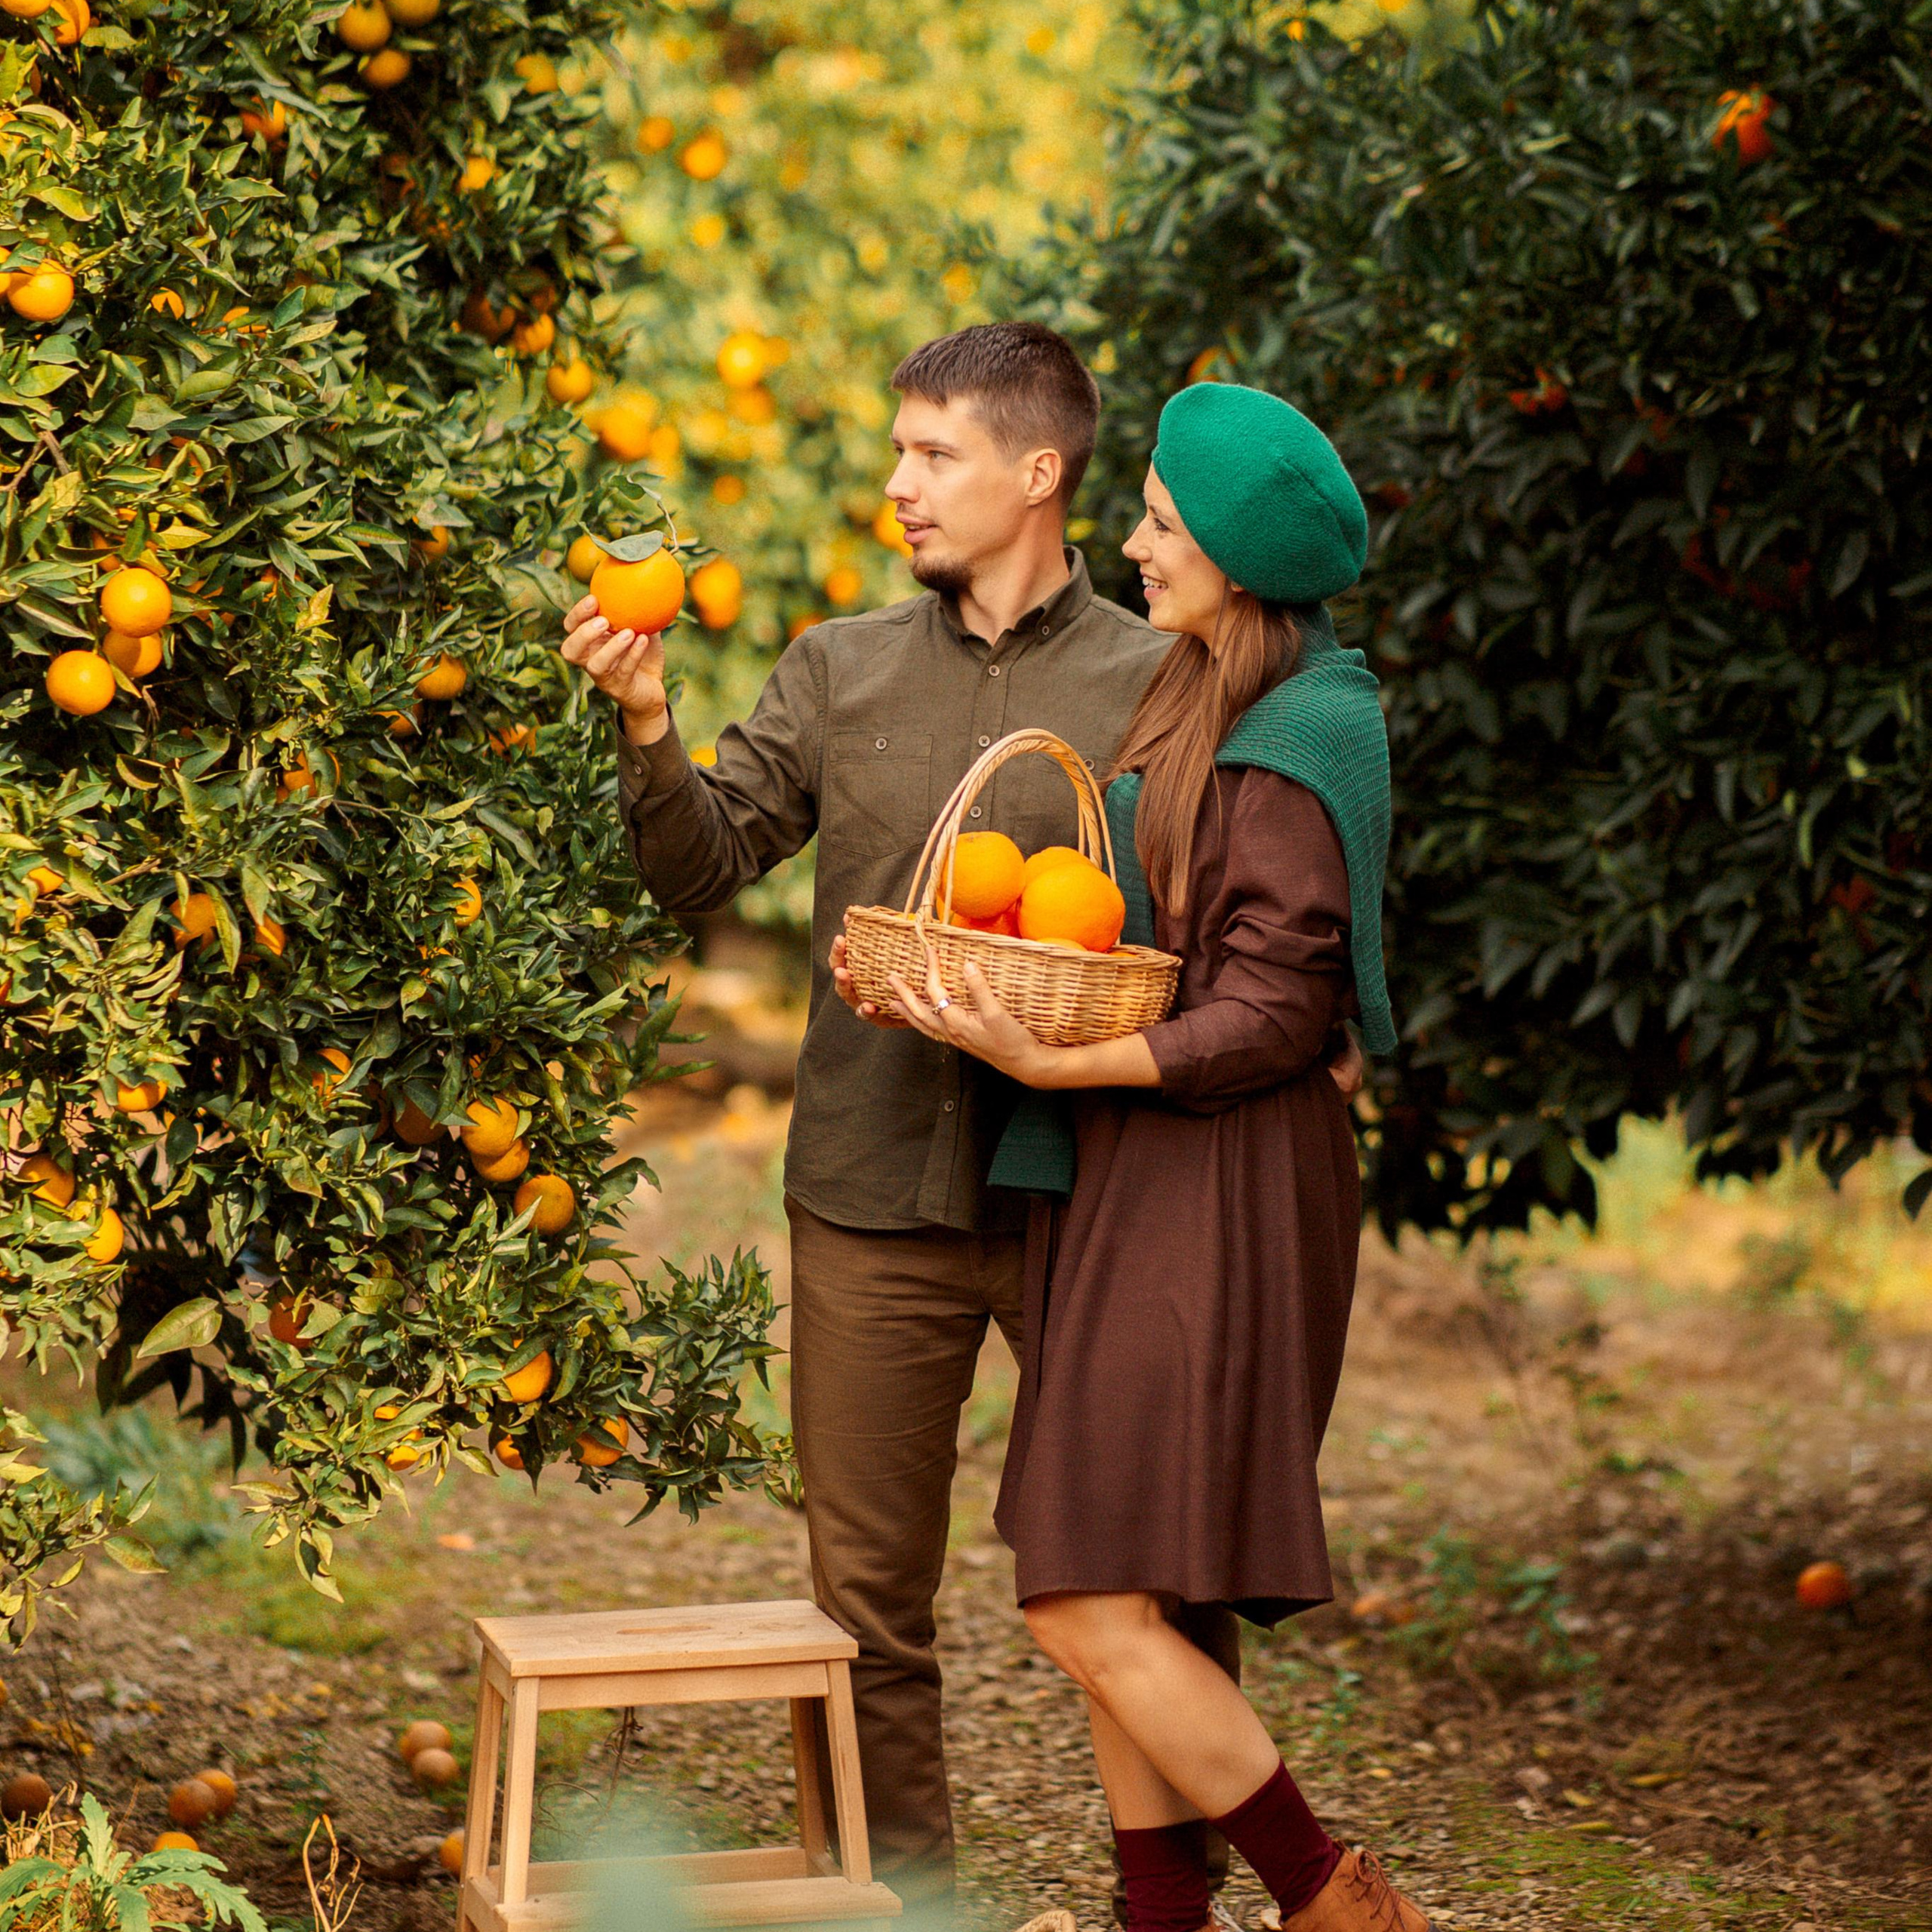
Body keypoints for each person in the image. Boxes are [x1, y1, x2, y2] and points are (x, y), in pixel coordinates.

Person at [559, 321, 1237, 1909]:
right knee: (866, 1609)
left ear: (1036, 472)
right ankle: (905, 1901)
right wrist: (651, 723)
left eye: (931, 454)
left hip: (1092, 1190)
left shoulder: (1159, 677)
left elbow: (1218, 925)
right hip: (866, 1193)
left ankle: (1173, 1899)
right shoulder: (834, 666)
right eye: (898, 450)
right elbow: (701, 864)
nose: (898, 485)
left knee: (1144, 1580)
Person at [884, 381, 1432, 1932]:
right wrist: (976, 967)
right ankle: (1164, 1922)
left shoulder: (1306, 729)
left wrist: (1052, 1054)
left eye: (1160, 524)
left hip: (1226, 1176)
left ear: (1241, 558)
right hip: (1141, 1160)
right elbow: (1136, 932)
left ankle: (1332, 1896)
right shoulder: (1199, 696)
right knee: (1126, 1579)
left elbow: (1271, 1007)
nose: (1130, 544)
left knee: (1077, 1586)